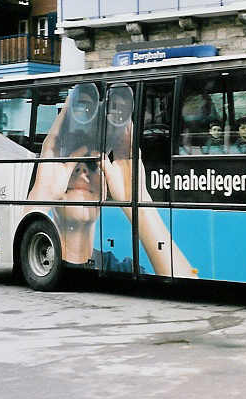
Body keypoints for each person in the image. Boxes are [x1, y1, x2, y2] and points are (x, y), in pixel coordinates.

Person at [25, 89, 196, 278]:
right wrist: (41, 195)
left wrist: (138, 201)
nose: (82, 171)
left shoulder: (122, 270)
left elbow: (185, 279)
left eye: (92, 164)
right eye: (69, 163)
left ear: (106, 189)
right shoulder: (44, 198)